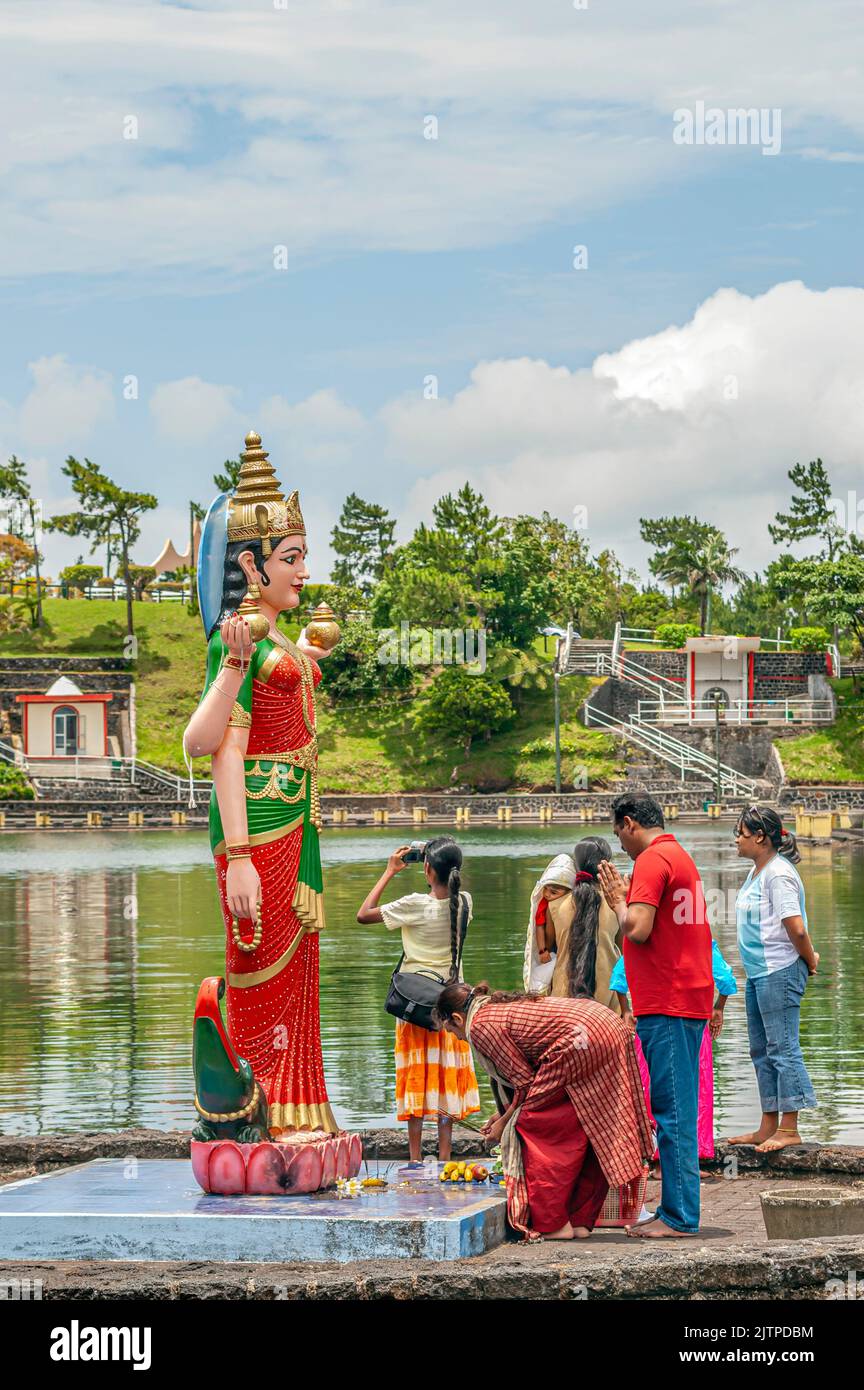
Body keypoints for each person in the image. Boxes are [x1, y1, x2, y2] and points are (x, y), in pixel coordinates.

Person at [184, 430, 338, 1136]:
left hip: (297, 828)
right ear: (250, 563)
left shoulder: (277, 640)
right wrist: (239, 856)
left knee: (297, 972)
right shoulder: (239, 639)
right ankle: (254, 1113)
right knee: (256, 967)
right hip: (259, 834)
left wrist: (305, 653)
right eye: (291, 558)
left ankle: (300, 1109)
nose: (303, 571)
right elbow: (212, 748)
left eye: (303, 556)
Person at [435, 982, 653, 1240]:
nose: (456, 1037)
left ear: (458, 1018)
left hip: (582, 1039)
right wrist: (502, 1116)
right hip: (604, 1024)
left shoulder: (480, 1026)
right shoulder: (492, 1007)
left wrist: (506, 1123)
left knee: (534, 1124)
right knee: (589, 1124)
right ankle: (579, 1220)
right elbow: (525, 1081)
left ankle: (554, 1225)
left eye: (451, 1030)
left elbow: (525, 1083)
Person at [597, 794, 713, 1238]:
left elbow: (638, 928)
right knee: (675, 1107)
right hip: (684, 996)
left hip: (668, 1000)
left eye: (619, 833)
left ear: (630, 824)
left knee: (672, 1112)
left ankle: (679, 1217)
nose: (620, 845)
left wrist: (617, 901)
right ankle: (677, 1211)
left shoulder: (651, 859)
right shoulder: (678, 854)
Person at [356, 836, 480, 1163]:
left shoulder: (413, 904)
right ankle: (444, 1156)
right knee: (445, 1076)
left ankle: (413, 1158)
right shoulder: (465, 903)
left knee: (416, 1075)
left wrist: (389, 871)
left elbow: (363, 914)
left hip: (414, 1004)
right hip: (452, 1005)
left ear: (426, 869)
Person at [728, 805, 818, 1153]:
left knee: (783, 1048)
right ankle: (768, 1126)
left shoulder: (778, 874)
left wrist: (810, 959)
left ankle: (790, 1128)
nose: (737, 839)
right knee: (761, 1050)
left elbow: (795, 927)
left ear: (761, 838)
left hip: (780, 970)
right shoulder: (757, 872)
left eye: (742, 833)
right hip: (758, 973)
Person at [610, 939, 738, 1158]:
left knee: (652, 1087)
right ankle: (688, 1159)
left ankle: (655, 1155)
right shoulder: (698, 940)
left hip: (650, 1021)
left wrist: (626, 1010)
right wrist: (718, 1008)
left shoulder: (643, 940)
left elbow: (619, 976)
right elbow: (725, 978)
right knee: (692, 1091)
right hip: (692, 1023)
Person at [523, 854, 577, 992]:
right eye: (545, 889)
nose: (547, 894)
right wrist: (542, 950)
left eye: (553, 892)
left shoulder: (572, 904)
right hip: (551, 946)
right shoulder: (545, 904)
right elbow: (539, 927)